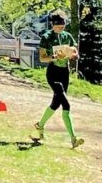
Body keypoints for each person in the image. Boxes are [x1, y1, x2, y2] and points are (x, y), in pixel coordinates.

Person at [33, 12, 84, 149]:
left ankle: (40, 125)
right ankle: (73, 138)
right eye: (58, 26)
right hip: (53, 72)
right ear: (53, 25)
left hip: (64, 73)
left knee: (56, 104)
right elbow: (42, 58)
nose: (61, 28)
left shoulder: (67, 36)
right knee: (66, 104)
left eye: (63, 26)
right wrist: (54, 57)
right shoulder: (46, 37)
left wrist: (74, 55)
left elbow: (75, 51)